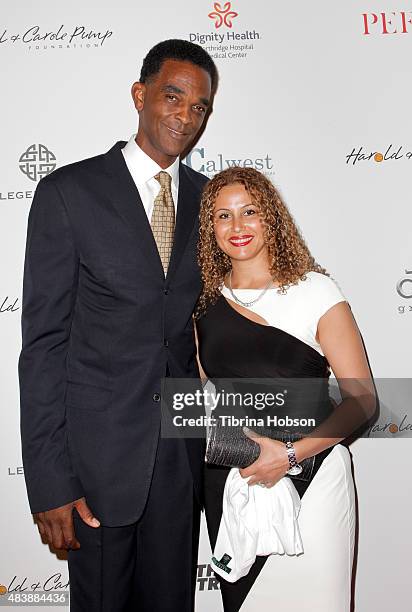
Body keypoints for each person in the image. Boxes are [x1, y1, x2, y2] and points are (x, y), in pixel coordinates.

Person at [18, 39, 217, 612]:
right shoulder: (68, 193)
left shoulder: (211, 203)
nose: (185, 115)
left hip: (180, 463)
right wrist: (51, 482)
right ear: (140, 95)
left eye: (199, 106)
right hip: (95, 470)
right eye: (173, 96)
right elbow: (44, 346)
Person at [195, 167, 376, 612]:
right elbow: (205, 398)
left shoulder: (315, 291)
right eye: (222, 216)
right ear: (209, 228)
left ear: (271, 217)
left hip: (311, 476)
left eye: (249, 212)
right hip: (234, 483)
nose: (236, 227)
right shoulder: (203, 303)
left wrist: (291, 455)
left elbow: (363, 400)